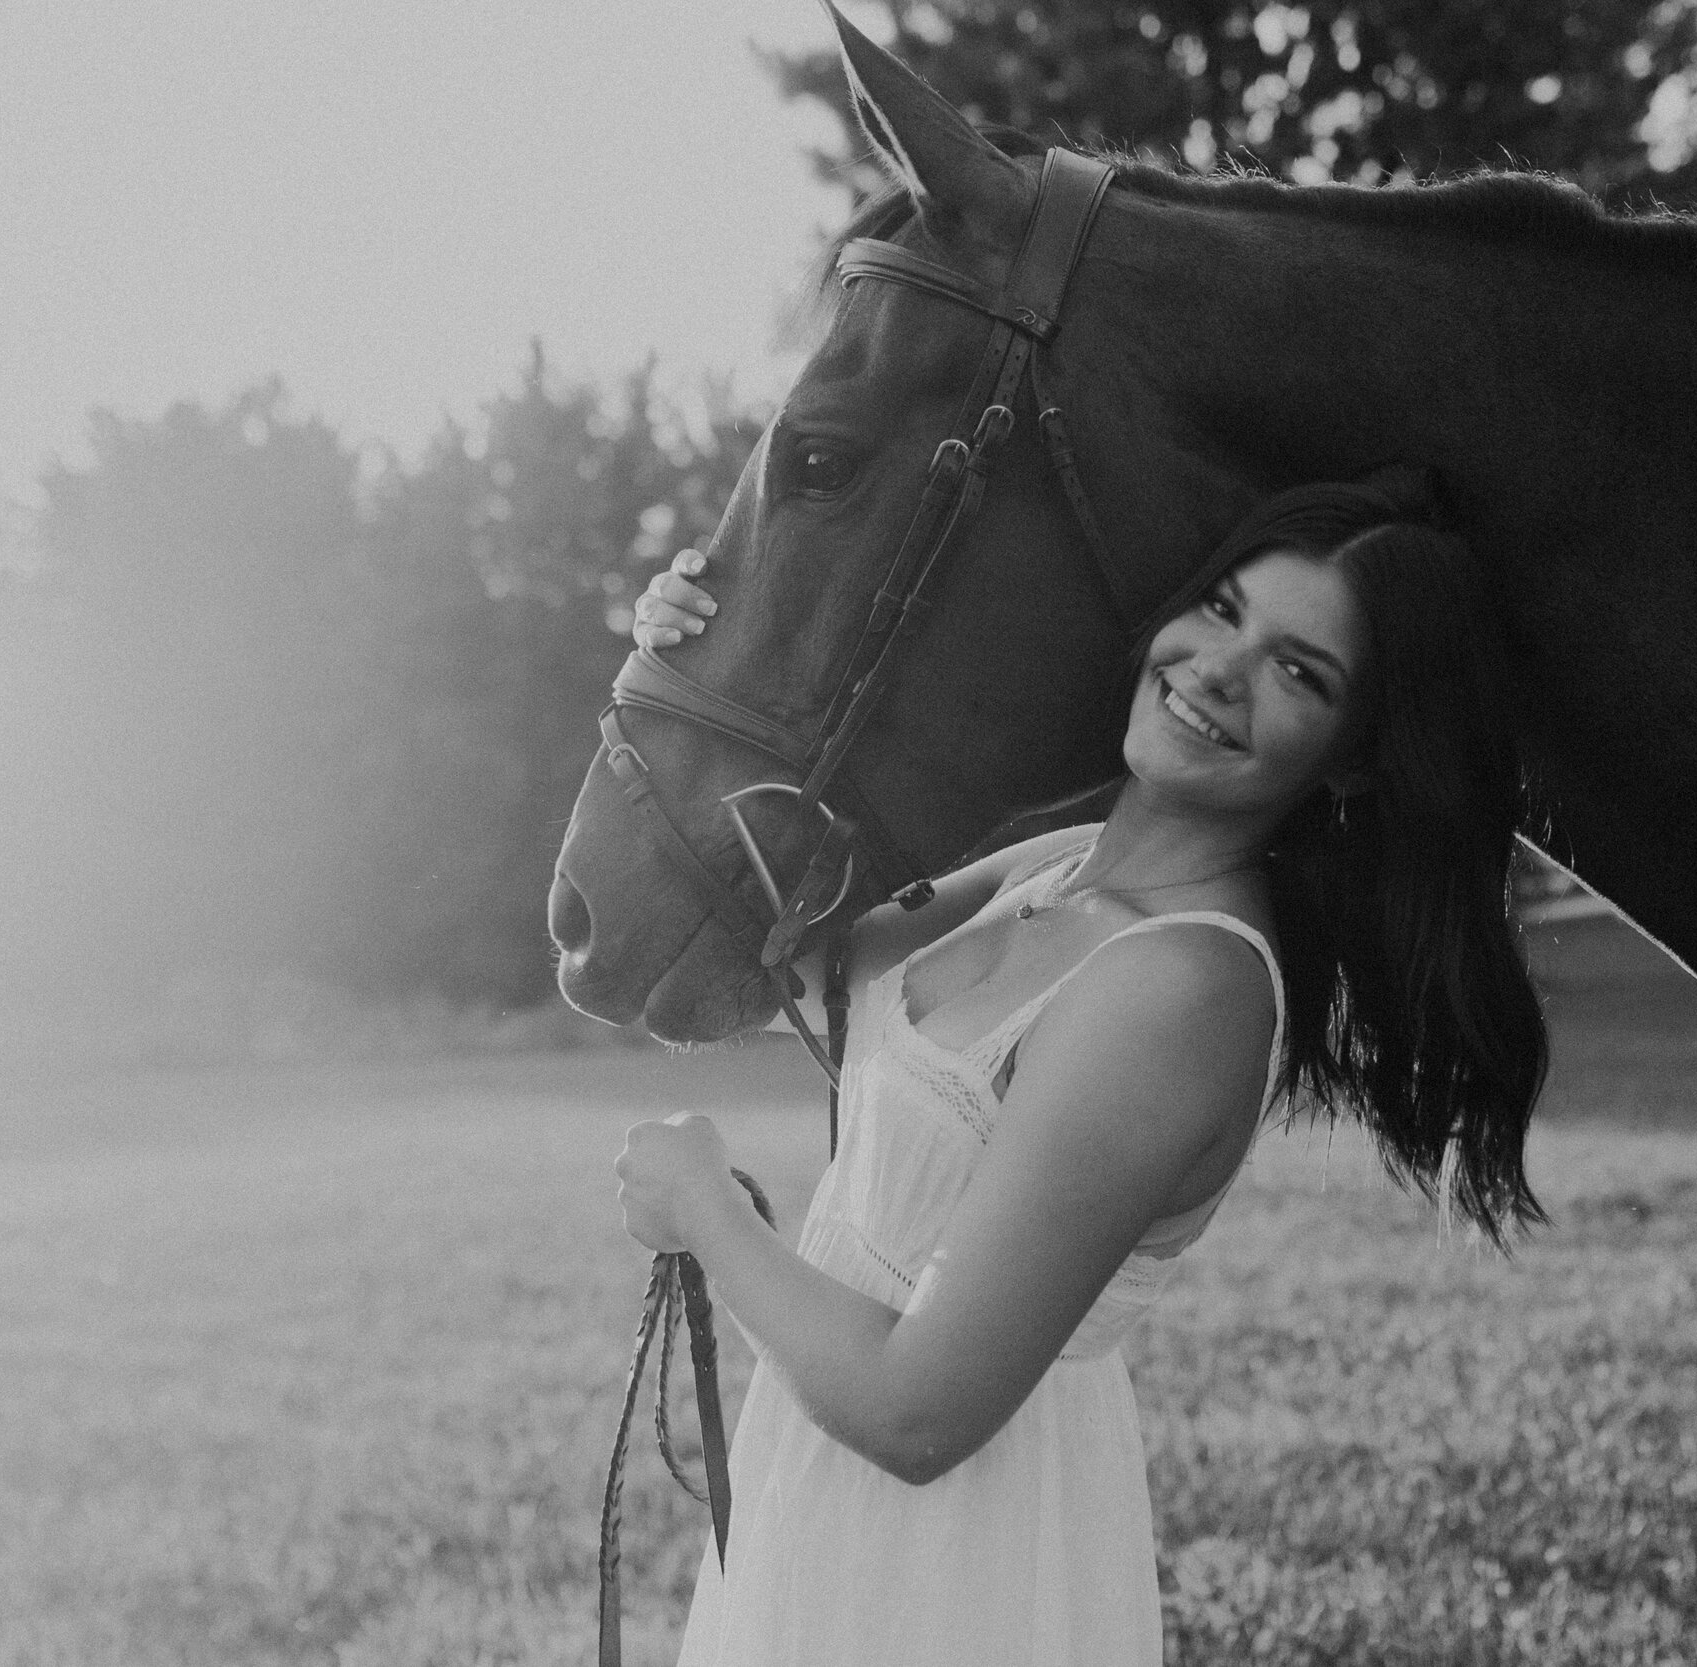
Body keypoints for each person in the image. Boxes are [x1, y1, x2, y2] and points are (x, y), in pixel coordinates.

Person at [614, 478, 1547, 1666]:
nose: (1216, 667)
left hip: (955, 1546)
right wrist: (696, 669)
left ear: (1358, 762)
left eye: (1298, 672)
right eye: (1220, 609)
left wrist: (704, 1209)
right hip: (819, 1463)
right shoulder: (1064, 867)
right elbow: (780, 955)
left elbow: (919, 1410)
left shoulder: (1184, 987)